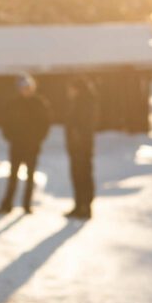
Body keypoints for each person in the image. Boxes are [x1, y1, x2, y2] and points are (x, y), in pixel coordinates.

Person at [0, 73, 51, 214]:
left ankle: (27, 205)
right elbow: (5, 123)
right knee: (13, 175)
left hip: (32, 146)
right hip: (17, 145)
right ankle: (7, 204)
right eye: (23, 88)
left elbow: (45, 124)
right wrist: (10, 137)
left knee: (30, 176)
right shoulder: (13, 104)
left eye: (28, 87)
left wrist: (37, 139)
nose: (26, 90)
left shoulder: (39, 103)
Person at [64, 77, 97, 219]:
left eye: (71, 89)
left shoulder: (85, 103)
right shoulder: (78, 103)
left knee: (84, 176)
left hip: (82, 148)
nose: (69, 92)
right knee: (77, 176)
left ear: (77, 89)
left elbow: (83, 126)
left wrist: (78, 141)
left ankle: (86, 206)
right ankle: (78, 205)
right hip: (76, 148)